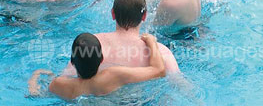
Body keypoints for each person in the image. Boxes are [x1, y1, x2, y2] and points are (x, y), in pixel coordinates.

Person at [64, 0, 179, 74]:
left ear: (113, 14)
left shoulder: (90, 44)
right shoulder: (160, 52)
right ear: (144, 16)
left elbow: (68, 77)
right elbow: (180, 86)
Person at [28, 32, 165, 99]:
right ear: (101, 59)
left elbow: (34, 94)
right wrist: (151, 42)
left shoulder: (58, 85)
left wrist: (36, 75)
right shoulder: (113, 75)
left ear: (72, 61)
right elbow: (159, 71)